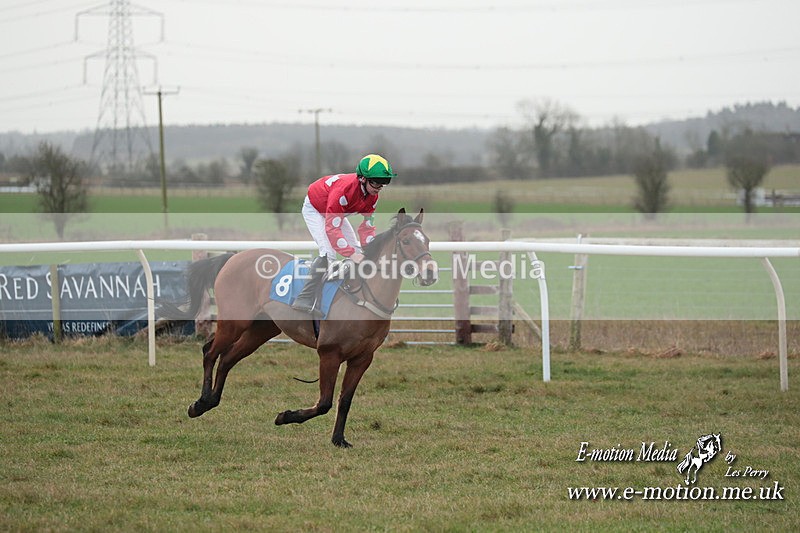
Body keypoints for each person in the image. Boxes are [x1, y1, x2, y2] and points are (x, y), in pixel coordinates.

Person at [291, 154, 396, 315]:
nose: (379, 187)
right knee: (328, 253)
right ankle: (304, 298)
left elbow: (367, 228)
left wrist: (369, 252)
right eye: (375, 181)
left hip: (336, 212)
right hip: (316, 209)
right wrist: (352, 255)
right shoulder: (344, 190)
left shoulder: (373, 196)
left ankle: (350, 291)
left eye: (384, 183)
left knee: (358, 251)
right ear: (362, 178)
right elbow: (332, 230)